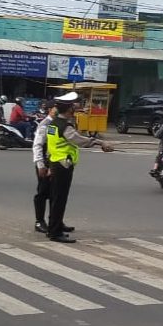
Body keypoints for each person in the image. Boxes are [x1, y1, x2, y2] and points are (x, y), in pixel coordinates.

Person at [45, 92, 114, 242]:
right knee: (60, 198)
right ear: (69, 109)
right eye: (73, 106)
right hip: (63, 165)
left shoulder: (54, 123)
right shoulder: (65, 126)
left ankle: (55, 225)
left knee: (55, 198)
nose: (76, 108)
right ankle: (55, 232)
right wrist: (99, 143)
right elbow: (78, 141)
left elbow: (51, 144)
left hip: (55, 162)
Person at [32, 100, 75, 235]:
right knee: (43, 192)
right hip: (45, 163)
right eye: (55, 108)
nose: (57, 110)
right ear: (50, 110)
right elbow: (38, 145)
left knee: (55, 194)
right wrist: (40, 165)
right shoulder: (46, 124)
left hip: (55, 163)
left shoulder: (60, 122)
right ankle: (39, 221)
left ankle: (56, 222)